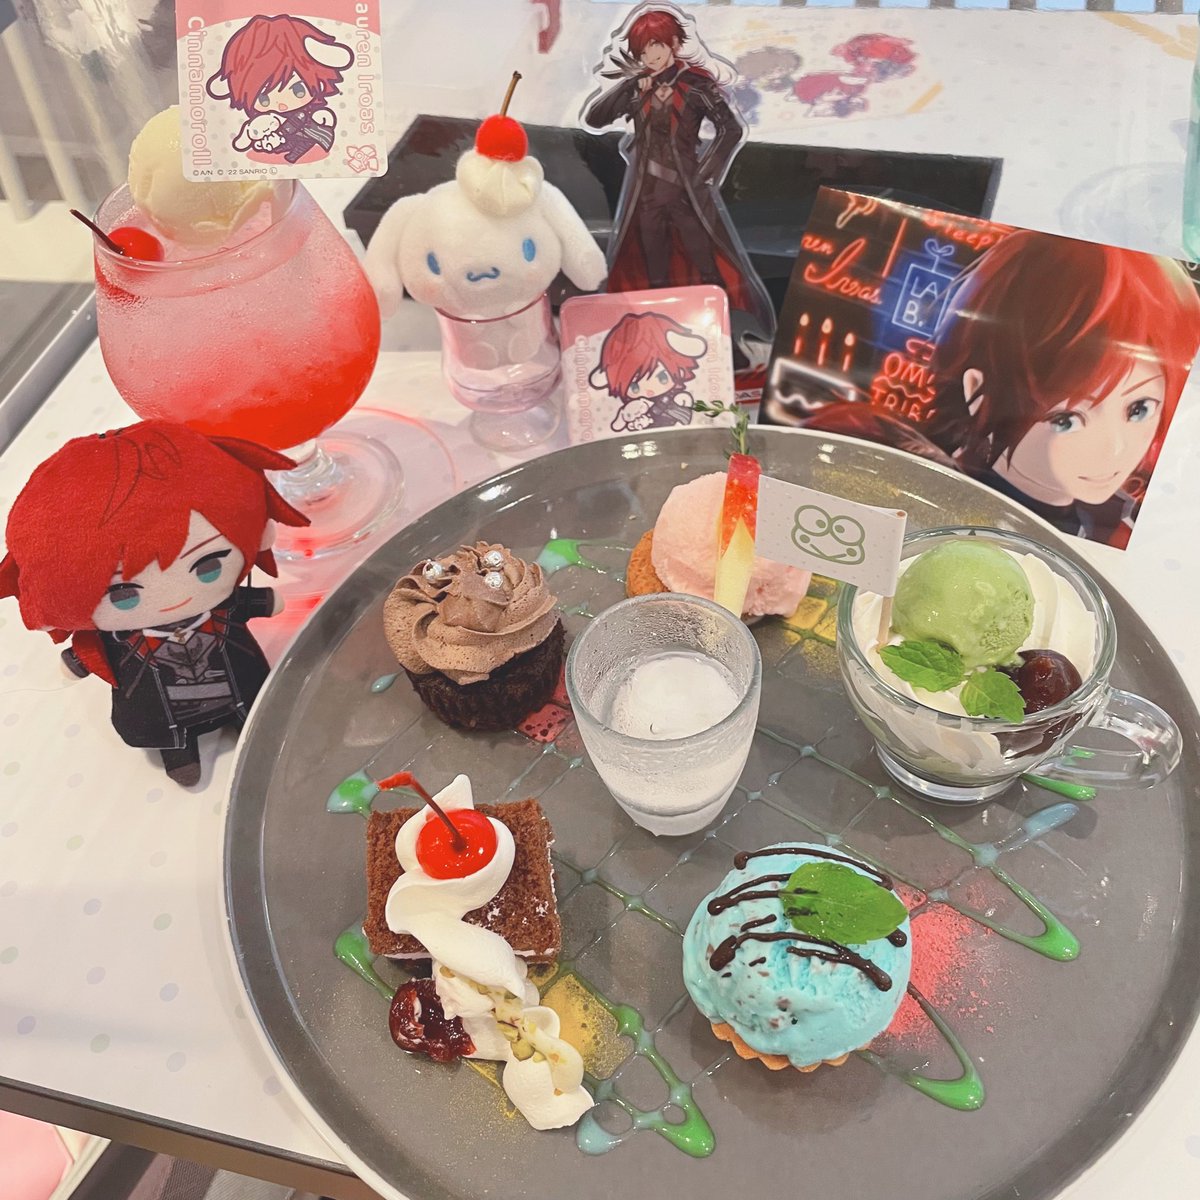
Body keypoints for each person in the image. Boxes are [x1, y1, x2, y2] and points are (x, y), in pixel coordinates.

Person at [0, 422, 308, 784]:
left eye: (207, 567)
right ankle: (179, 752)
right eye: (124, 595)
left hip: (241, 691)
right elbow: (87, 655)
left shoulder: (223, 608)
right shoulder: (118, 639)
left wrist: (264, 600)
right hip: (164, 714)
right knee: (169, 733)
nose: (176, 598)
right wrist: (77, 660)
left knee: (256, 716)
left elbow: (253, 602)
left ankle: (251, 726)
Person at [923, 233, 1200, 546]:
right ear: (977, 391)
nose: (1114, 450)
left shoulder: (1123, 527)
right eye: (1066, 419)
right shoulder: (934, 495)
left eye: (1139, 410)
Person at [582, 5, 774, 344]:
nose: (650, 56)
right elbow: (595, 118)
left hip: (686, 192)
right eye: (643, 50)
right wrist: (629, 87)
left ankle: (724, 332)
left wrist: (706, 173)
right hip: (647, 193)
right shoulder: (638, 86)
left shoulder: (695, 85)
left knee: (706, 263)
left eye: (656, 46)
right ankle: (658, 334)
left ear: (673, 43)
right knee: (653, 270)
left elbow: (730, 129)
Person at [205, 14, 353, 164]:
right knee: (282, 147)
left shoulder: (304, 114)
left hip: (311, 136)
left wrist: (280, 135)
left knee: (297, 147)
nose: (282, 105)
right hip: (290, 139)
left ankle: (292, 153)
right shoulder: (268, 118)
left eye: (298, 90)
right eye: (263, 99)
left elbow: (296, 123)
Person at [589, 311, 708, 432]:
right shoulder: (633, 406)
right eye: (634, 387)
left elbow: (686, 420)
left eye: (662, 378)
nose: (650, 390)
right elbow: (616, 427)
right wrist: (624, 416)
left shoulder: (676, 398)